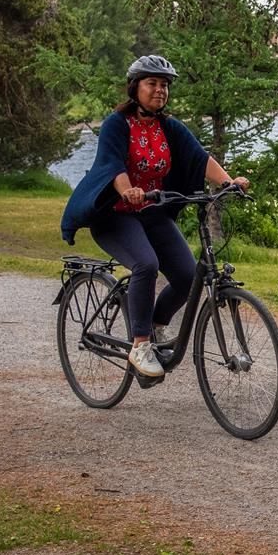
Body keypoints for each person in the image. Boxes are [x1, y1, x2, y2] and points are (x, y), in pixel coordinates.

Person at [60, 55, 249, 379]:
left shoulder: (169, 127)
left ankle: (156, 325)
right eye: (152, 83)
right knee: (145, 264)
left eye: (164, 85)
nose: (160, 90)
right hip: (115, 216)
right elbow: (112, 165)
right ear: (136, 88)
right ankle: (141, 343)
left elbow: (199, 158)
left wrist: (229, 182)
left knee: (189, 277)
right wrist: (127, 189)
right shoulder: (117, 124)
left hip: (152, 213)